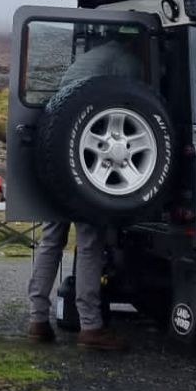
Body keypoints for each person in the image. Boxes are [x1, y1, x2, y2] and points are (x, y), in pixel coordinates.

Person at [24, 29, 144, 350]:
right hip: (89, 163)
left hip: (54, 157)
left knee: (51, 239)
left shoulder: (87, 59)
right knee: (90, 242)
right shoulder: (127, 61)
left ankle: (37, 319)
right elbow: (137, 106)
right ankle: (90, 327)